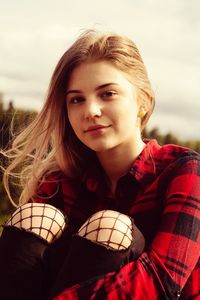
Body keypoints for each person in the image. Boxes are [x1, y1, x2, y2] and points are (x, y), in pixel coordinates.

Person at [0, 29, 199, 300]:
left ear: (143, 101)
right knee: (35, 218)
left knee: (110, 226)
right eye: (77, 99)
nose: (90, 111)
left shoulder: (184, 170)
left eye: (107, 94)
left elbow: (162, 281)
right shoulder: (61, 180)